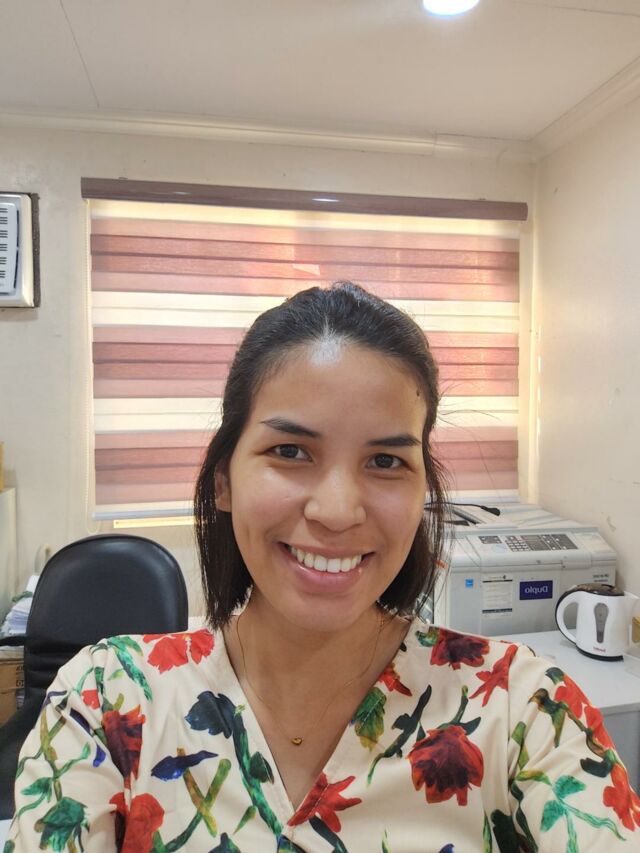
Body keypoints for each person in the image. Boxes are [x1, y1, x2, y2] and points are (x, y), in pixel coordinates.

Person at [6, 283, 640, 853]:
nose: (337, 512)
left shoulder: (528, 711)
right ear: (223, 480)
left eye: (386, 462)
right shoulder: (106, 701)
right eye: (290, 451)